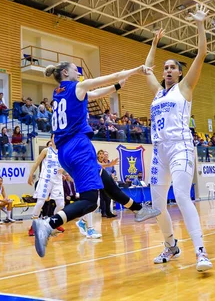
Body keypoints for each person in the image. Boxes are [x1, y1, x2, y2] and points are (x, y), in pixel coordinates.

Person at [31, 61, 161, 257]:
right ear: (66, 72)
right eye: (76, 69)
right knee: (91, 201)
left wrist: (117, 87)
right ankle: (49, 223)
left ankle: (139, 209)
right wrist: (136, 69)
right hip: (78, 148)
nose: (79, 72)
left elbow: (96, 94)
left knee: (107, 182)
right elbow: (108, 77)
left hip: (66, 151)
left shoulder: (58, 93)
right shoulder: (78, 87)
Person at [142, 4, 212, 272]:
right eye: (166, 68)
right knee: (158, 206)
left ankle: (201, 251)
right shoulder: (158, 93)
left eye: (173, 67)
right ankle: (171, 246)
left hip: (181, 147)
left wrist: (200, 24)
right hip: (159, 151)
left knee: (182, 196)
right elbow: (146, 68)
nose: (168, 70)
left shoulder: (184, 88)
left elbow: (202, 53)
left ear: (180, 73)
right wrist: (154, 42)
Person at [27, 139, 66, 235]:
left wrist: (63, 169)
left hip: (57, 181)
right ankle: (33, 226)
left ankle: (53, 222)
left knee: (61, 204)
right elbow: (36, 163)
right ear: (51, 139)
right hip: (46, 179)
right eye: (54, 137)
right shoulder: (46, 150)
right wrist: (31, 174)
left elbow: (68, 166)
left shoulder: (63, 152)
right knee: (40, 202)